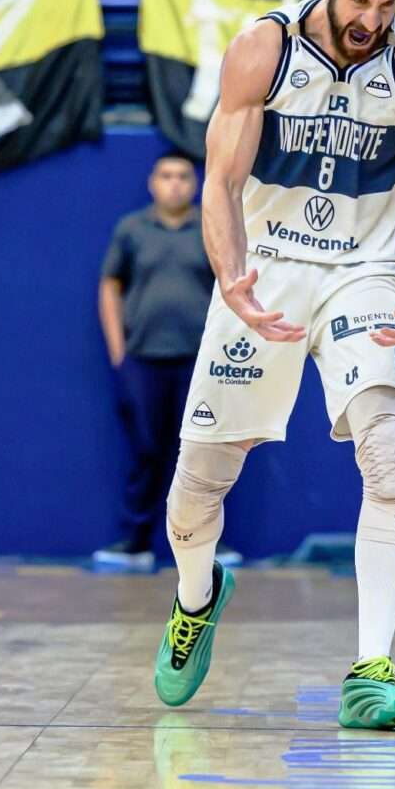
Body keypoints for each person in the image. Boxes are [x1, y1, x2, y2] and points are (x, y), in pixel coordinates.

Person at [150, 0, 395, 731]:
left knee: (391, 454)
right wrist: (233, 278)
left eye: (387, 5)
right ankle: (197, 597)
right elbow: (221, 183)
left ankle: (371, 671)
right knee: (196, 490)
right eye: (359, 0)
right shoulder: (265, 48)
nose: (371, 20)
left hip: (366, 270)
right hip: (265, 266)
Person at [96, 152, 231, 571]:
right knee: (146, 449)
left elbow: (230, 286)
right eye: (166, 176)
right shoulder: (131, 229)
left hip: (200, 363)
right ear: (152, 182)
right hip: (142, 359)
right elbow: (110, 286)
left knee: (202, 453)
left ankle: (205, 544)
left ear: (196, 184)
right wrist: (119, 351)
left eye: (183, 176)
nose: (175, 184)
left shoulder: (212, 226)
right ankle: (136, 544)